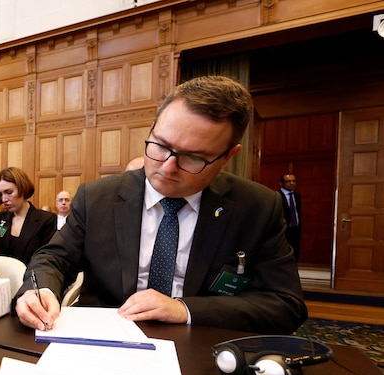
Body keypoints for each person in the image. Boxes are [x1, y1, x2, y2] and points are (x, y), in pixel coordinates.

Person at [15, 75, 307, 335]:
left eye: (193, 157)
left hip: (202, 349)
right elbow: (54, 259)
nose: (167, 167)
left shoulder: (256, 207)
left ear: (228, 156)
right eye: (160, 145)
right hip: (107, 341)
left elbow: (285, 305)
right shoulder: (98, 197)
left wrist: (184, 309)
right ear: (153, 128)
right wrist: (38, 290)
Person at [0, 167, 56, 265]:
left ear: (23, 188)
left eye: (9, 192)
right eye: (0, 194)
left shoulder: (46, 220)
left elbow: (47, 258)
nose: (4, 199)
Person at [279, 173, 301, 261]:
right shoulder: (277, 196)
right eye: (288, 181)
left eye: (294, 181)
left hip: (295, 228)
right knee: (284, 253)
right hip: (284, 229)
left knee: (295, 253)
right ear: (281, 183)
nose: (292, 183)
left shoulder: (297, 196)